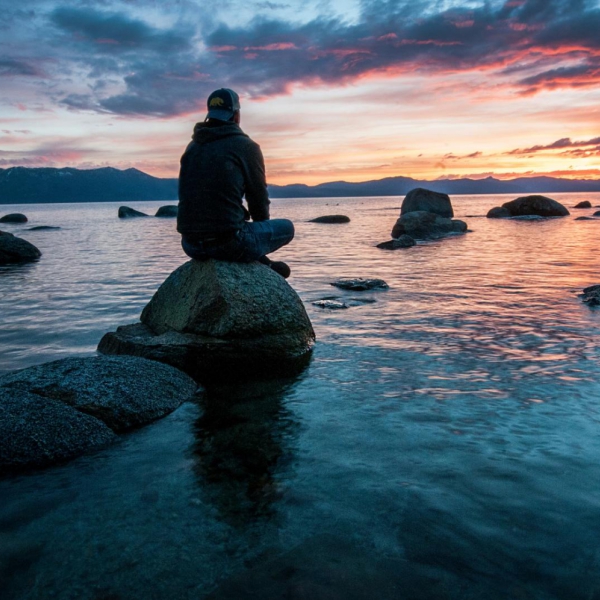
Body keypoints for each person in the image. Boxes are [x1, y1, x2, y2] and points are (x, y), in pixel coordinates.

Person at [177, 88, 294, 278]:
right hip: (228, 243)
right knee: (287, 227)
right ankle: (262, 262)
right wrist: (259, 239)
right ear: (236, 115)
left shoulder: (192, 147)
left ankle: (262, 262)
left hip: (190, 245)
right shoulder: (245, 146)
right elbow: (258, 199)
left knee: (236, 226)